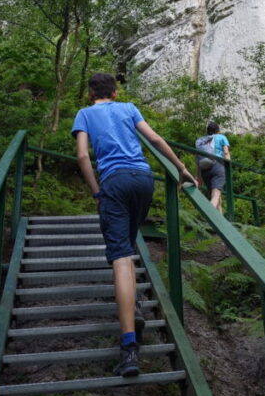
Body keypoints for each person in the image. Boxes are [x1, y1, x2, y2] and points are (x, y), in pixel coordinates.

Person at [72, 72, 196, 378]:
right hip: (143, 180)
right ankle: (135, 304)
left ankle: (129, 348)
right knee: (127, 246)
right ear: (114, 92)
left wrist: (96, 192)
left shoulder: (84, 114)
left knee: (121, 259)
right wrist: (181, 169)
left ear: (91, 94)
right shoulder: (128, 108)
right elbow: (154, 138)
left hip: (113, 183)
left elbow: (83, 155)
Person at [196, 120, 230, 213]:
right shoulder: (221, 137)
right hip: (218, 166)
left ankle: (220, 223)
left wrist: (198, 177)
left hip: (204, 169)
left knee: (217, 198)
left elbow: (198, 160)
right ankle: (208, 214)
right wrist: (229, 167)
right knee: (216, 195)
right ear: (218, 130)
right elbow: (226, 153)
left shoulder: (201, 141)